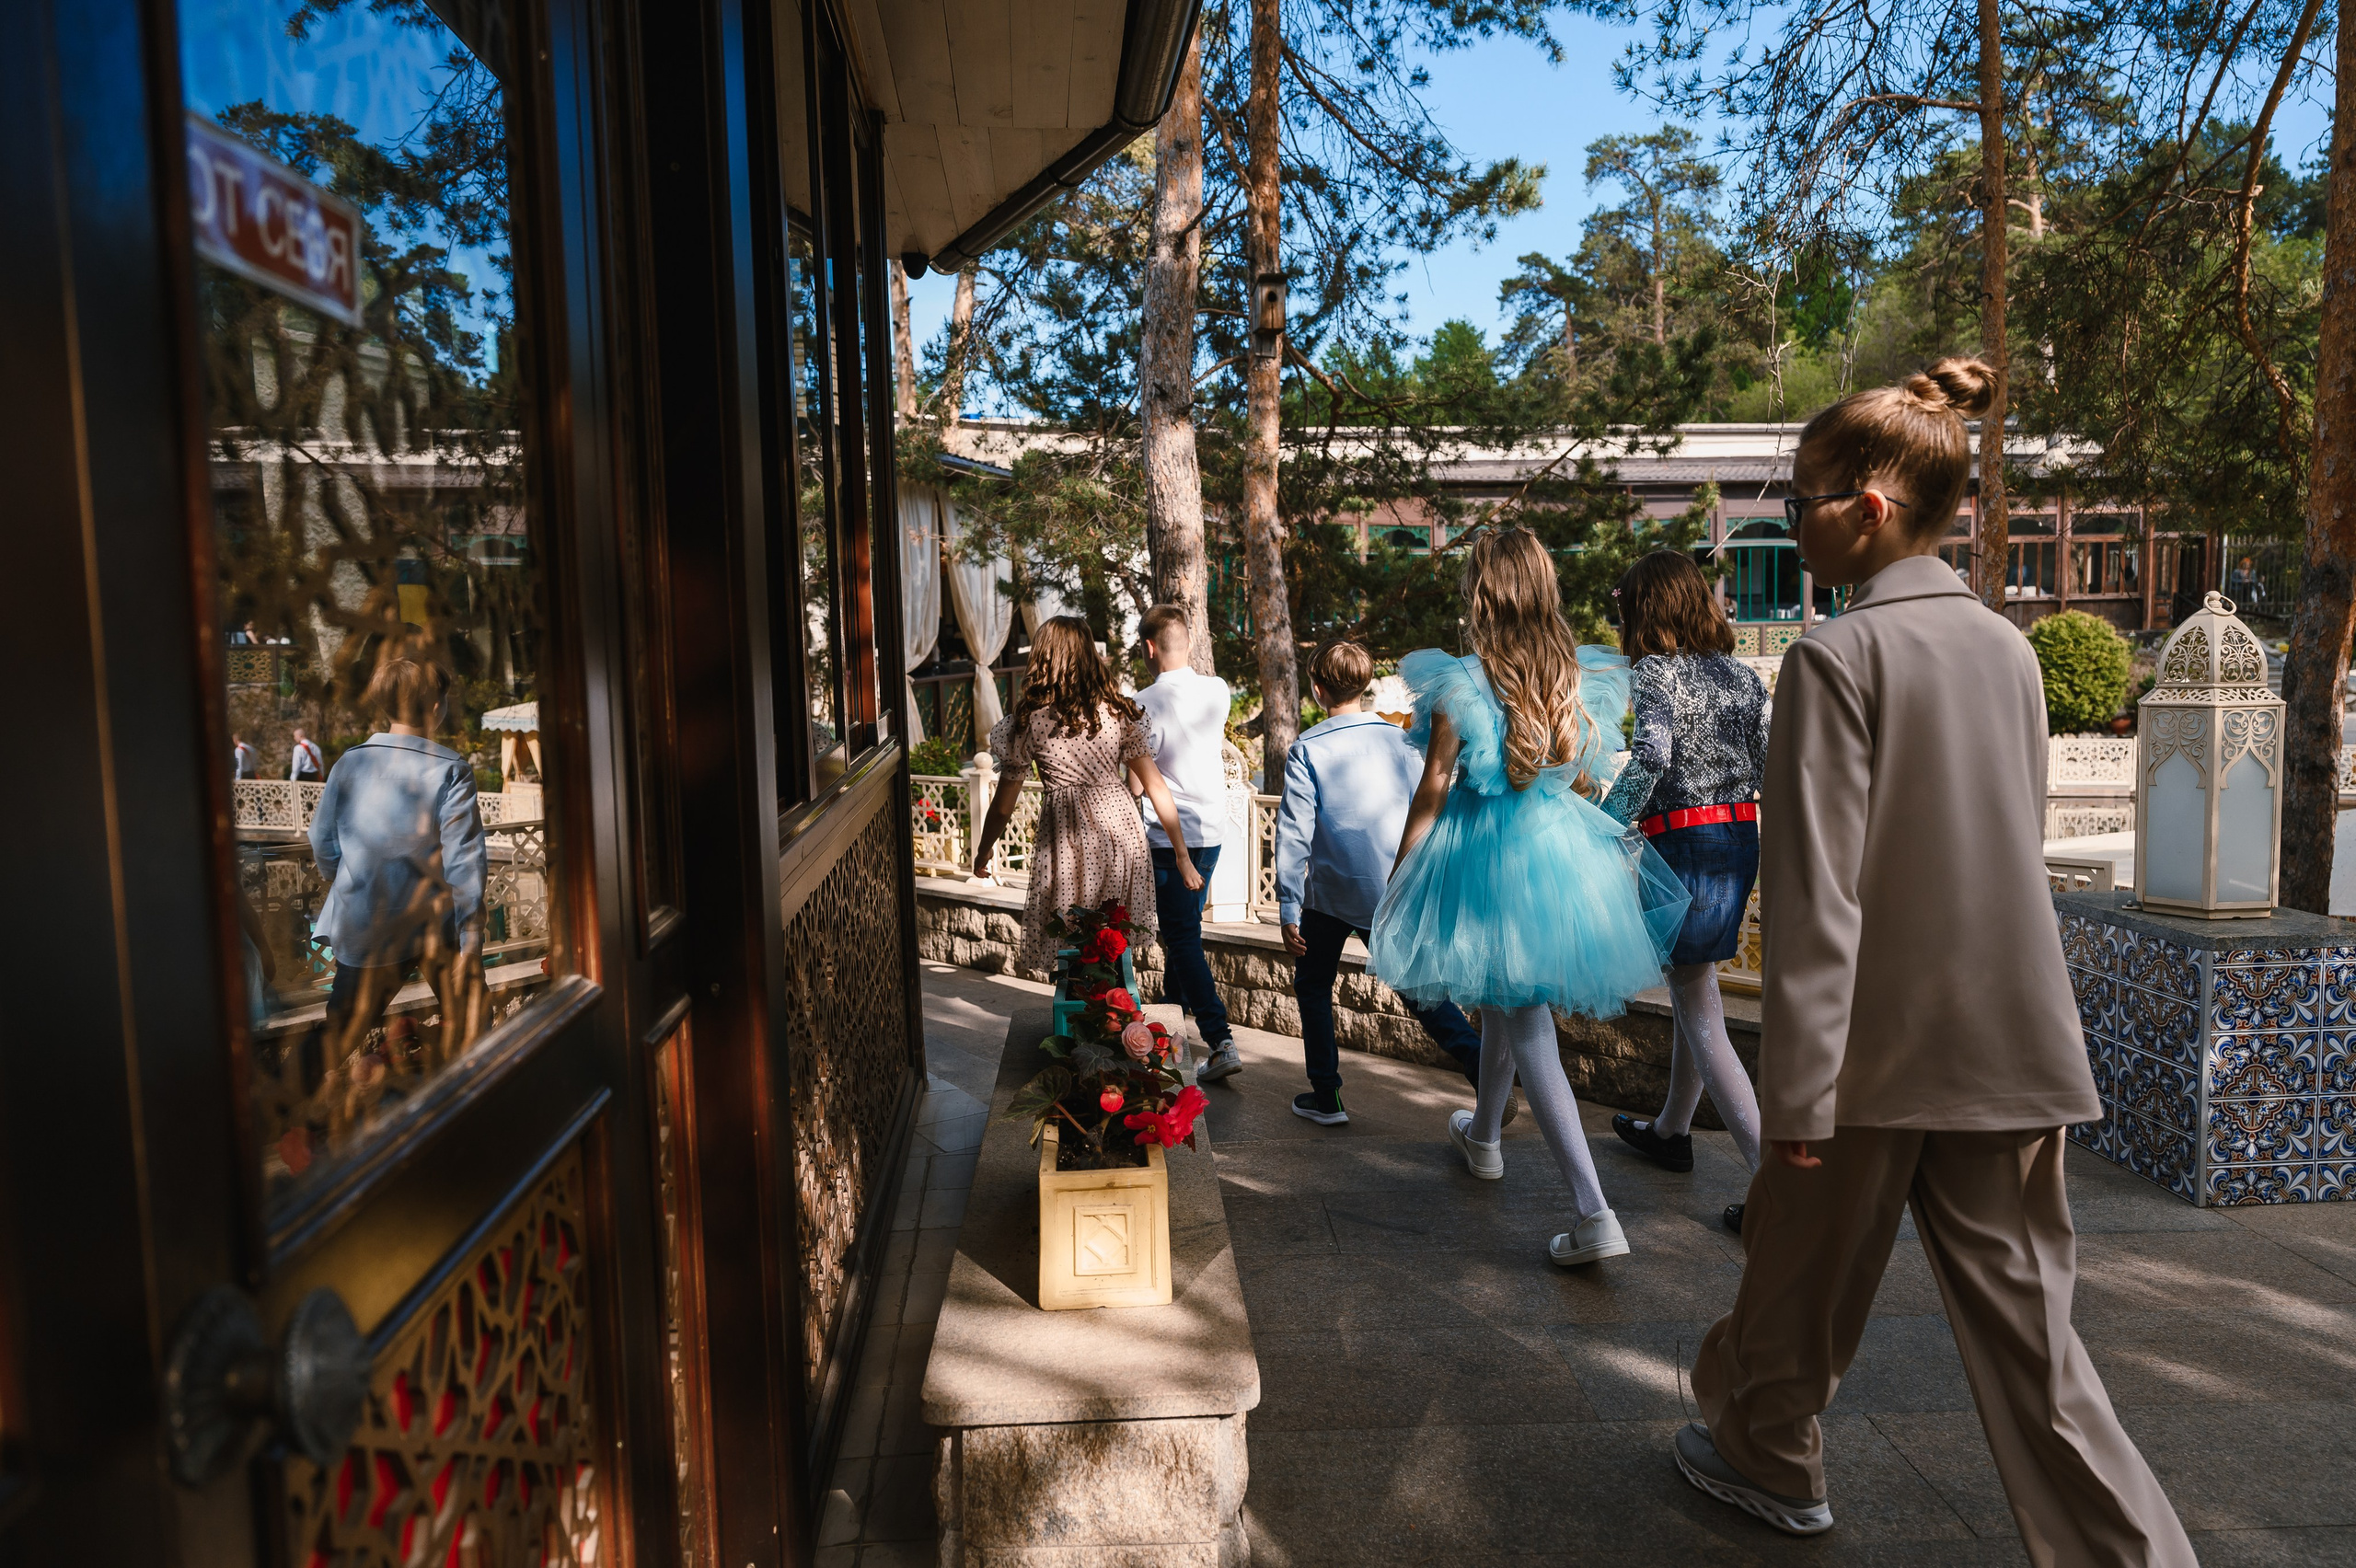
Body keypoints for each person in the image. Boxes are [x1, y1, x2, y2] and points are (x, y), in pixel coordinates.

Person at [1672, 359, 2194, 1565]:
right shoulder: (2012, 652)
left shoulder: (1833, 659)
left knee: (1795, 1289)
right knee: (2042, 1362)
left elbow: (1820, 900)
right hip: (2011, 1044)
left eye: (1801, 498)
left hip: (1865, 1057)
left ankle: (1769, 1457)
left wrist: (1796, 1087)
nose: (1788, 520)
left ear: (1868, 507)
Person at [1369, 526, 1687, 1266]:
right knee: (1505, 1001)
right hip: (1558, 852)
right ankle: (1484, 1136)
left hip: (1486, 860)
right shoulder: (1575, 677)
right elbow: (1580, 777)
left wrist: (1400, 874)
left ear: (1482, 593)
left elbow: (1432, 789)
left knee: (1526, 1019)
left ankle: (1593, 1211)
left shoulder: (1459, 683)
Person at [1600, 550, 1769, 1234]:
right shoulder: (1744, 674)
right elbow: (1770, 760)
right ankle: (1672, 1131)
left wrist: (1602, 822)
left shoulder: (1654, 671)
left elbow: (1652, 756)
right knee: (1693, 986)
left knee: (1699, 1005)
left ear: (1648, 609)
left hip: (1683, 845)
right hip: (1739, 839)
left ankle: (1772, 1183)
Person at [1274, 640, 1487, 1126]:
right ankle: (1480, 1068)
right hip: (1394, 885)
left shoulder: (1309, 747)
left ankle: (1326, 1096)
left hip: (1329, 896)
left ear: (1316, 687)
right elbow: (1425, 805)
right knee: (1419, 990)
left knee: (1312, 986)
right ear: (1365, 685)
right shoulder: (1402, 739)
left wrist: (1288, 906)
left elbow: (1293, 834)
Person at [972, 616, 1201, 975]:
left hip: (1067, 837)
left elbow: (1003, 806)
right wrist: (1182, 855)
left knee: (1074, 943)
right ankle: (1116, 1020)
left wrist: (984, 850)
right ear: (1088, 656)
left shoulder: (1029, 719)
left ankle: (1083, 1024)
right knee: (1111, 940)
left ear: (1043, 658)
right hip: (1122, 831)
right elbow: (1156, 786)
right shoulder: (1117, 710)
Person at [310, 649, 490, 1063]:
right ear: (435, 705)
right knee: (473, 1020)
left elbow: (321, 842)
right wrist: (473, 939)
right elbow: (464, 862)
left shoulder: (348, 764)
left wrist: (358, 879)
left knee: (336, 1036)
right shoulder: (450, 769)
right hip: (434, 926)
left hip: (367, 924)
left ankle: (278, 1116)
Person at [1132, 605, 1242, 1081]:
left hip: (1166, 837)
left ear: (1149, 648)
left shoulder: (1141, 701)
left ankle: (1220, 1041)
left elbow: (1140, 780)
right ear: (1189, 641)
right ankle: (1170, 1027)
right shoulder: (1218, 690)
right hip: (1212, 832)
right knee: (1183, 931)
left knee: (1181, 935)